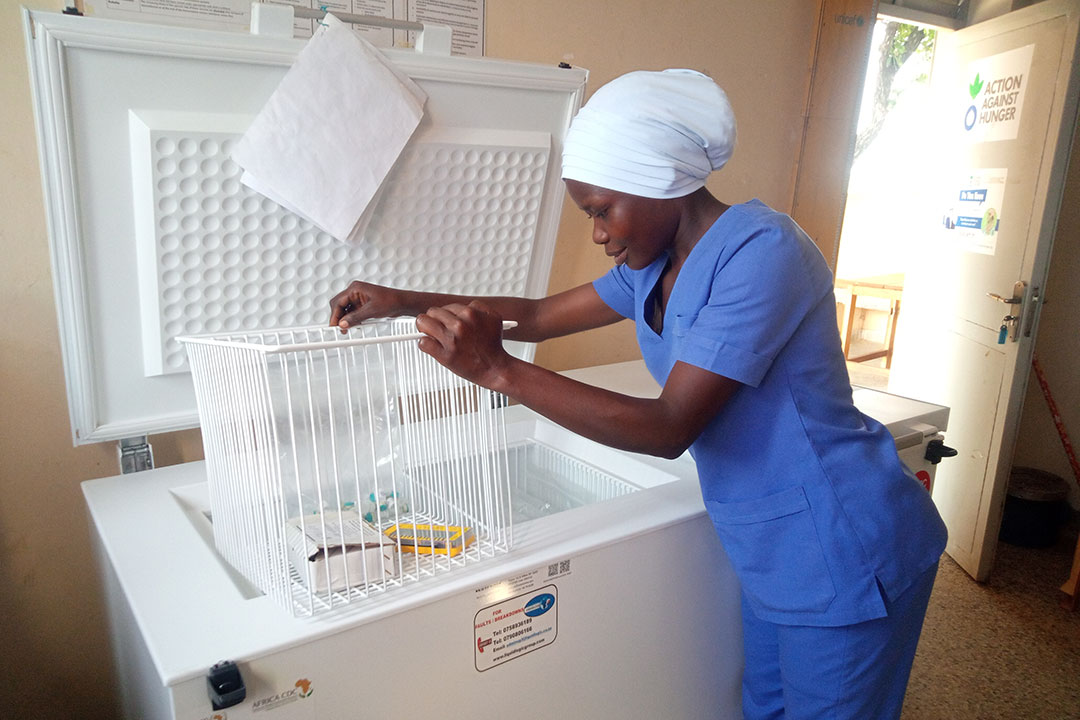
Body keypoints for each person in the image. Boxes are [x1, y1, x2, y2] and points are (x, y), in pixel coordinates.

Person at [329, 69, 947, 719]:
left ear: (661, 182)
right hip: (773, 551)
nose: (598, 233)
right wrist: (403, 302)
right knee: (766, 710)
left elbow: (668, 426)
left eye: (601, 210)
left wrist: (498, 372)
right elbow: (536, 314)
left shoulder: (764, 254)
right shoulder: (651, 267)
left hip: (844, 545)